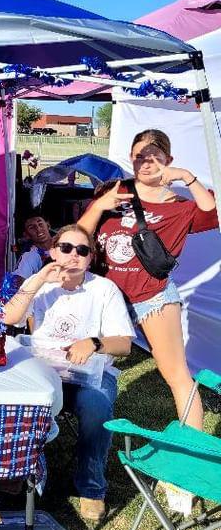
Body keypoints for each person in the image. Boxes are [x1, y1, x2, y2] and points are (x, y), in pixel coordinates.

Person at [78, 128, 217, 430]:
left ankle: (192, 444)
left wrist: (188, 177)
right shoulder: (115, 191)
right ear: (131, 157)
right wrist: (100, 206)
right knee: (83, 358)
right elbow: (80, 235)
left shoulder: (181, 206)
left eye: (155, 156)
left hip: (152, 297)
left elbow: (213, 212)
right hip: (105, 294)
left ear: (169, 160)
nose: (147, 162)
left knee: (176, 373)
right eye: (140, 156)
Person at [2, 224, 134, 522]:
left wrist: (94, 343)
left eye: (82, 250)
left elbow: (125, 344)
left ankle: (91, 486)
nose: (74, 255)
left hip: (89, 373)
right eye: (66, 248)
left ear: (90, 258)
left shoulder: (103, 289)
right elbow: (9, 317)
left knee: (97, 407)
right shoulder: (39, 284)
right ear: (52, 251)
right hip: (44, 371)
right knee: (14, 399)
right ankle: (17, 471)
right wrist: (39, 279)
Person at [12, 213, 54, 284]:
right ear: (26, 235)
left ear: (48, 225)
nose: (38, 229)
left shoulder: (66, 241)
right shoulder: (30, 256)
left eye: (40, 224)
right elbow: (19, 284)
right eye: (31, 227)